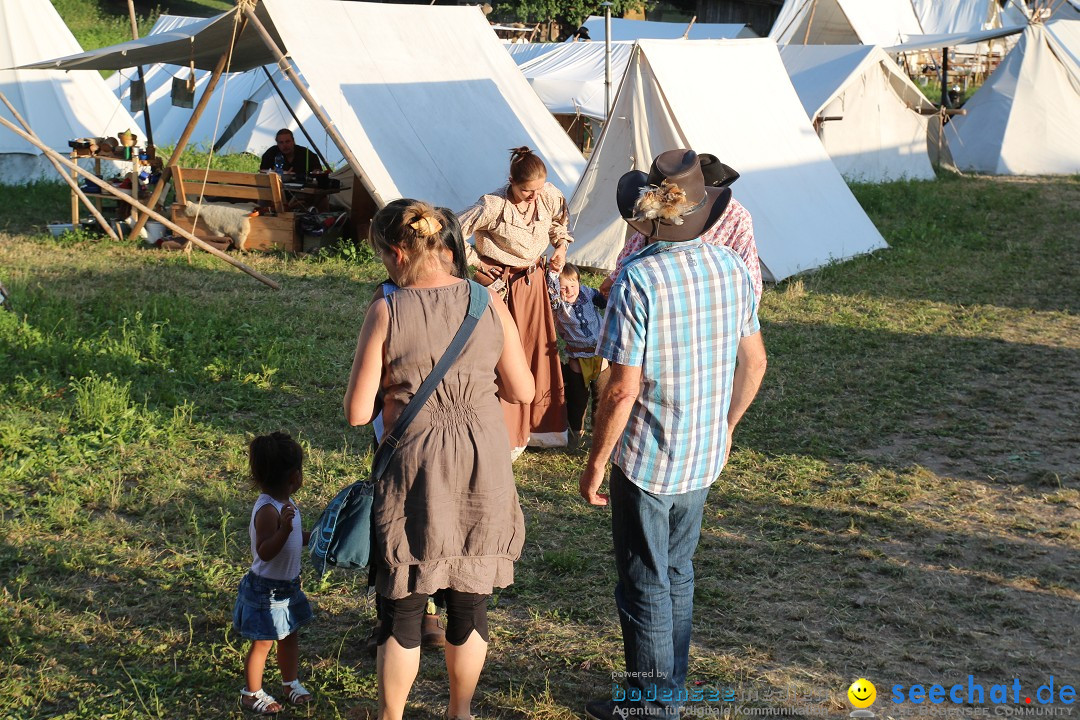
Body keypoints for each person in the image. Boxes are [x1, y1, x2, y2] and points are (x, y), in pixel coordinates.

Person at [578, 150, 768, 720]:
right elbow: (754, 363)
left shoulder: (637, 279)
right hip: (704, 451)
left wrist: (593, 464)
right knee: (678, 572)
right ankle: (666, 694)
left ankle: (653, 707)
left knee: (643, 585)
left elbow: (618, 390)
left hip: (646, 460)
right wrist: (728, 426)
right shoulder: (733, 269)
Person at [344, 200, 534, 720]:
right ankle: (460, 712)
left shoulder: (387, 310)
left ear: (398, 252)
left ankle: (392, 716)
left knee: (403, 605)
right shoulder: (489, 302)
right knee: (470, 601)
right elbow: (524, 387)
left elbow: (359, 412)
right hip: (483, 464)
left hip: (415, 465)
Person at [458, 146, 573, 457]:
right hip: (502, 287)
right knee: (506, 354)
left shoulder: (546, 194)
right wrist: (478, 265)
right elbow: (451, 232)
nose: (533, 196)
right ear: (510, 180)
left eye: (537, 189)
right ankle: (505, 432)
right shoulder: (493, 205)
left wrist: (559, 248)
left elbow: (556, 223)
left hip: (533, 283)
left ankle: (539, 429)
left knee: (536, 348)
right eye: (526, 190)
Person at [599, 153, 762, 303]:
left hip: (661, 290)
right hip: (708, 296)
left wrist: (616, 277)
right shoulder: (739, 216)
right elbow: (750, 274)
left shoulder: (738, 217)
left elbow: (638, 244)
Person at [233, 431, 314, 716]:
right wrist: (283, 530)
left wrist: (313, 537)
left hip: (288, 587)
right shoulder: (268, 510)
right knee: (264, 641)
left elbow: (293, 539)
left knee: (289, 635)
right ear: (294, 476)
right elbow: (266, 550)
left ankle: (290, 682)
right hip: (265, 589)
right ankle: (251, 692)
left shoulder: (287, 506)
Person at [545, 261, 609, 443]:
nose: (569, 291)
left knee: (602, 396)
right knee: (578, 397)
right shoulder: (559, 304)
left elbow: (603, 301)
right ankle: (575, 432)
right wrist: (553, 273)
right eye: (563, 288)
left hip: (599, 354)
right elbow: (552, 290)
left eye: (573, 285)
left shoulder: (587, 293)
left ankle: (599, 433)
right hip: (577, 357)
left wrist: (608, 292)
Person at [259, 128, 323, 177]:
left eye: (287, 141)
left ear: (293, 141)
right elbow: (263, 173)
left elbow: (318, 172)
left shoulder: (306, 154)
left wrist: (316, 172)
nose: (285, 145)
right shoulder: (271, 153)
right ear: (277, 143)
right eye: (281, 142)